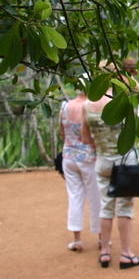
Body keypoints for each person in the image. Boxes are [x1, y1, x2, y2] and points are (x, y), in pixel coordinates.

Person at [81, 64, 139, 270]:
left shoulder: (87, 104)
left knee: (106, 206)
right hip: (125, 161)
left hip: (103, 160)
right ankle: (126, 254)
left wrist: (101, 145)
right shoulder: (125, 102)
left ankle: (105, 251)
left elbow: (85, 137)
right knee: (124, 207)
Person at [60, 90, 100, 252]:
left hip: (69, 156)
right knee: (95, 197)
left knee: (74, 196)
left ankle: (77, 240)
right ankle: (101, 238)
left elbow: (62, 132)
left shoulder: (65, 106)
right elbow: (93, 134)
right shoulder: (90, 106)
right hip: (89, 157)